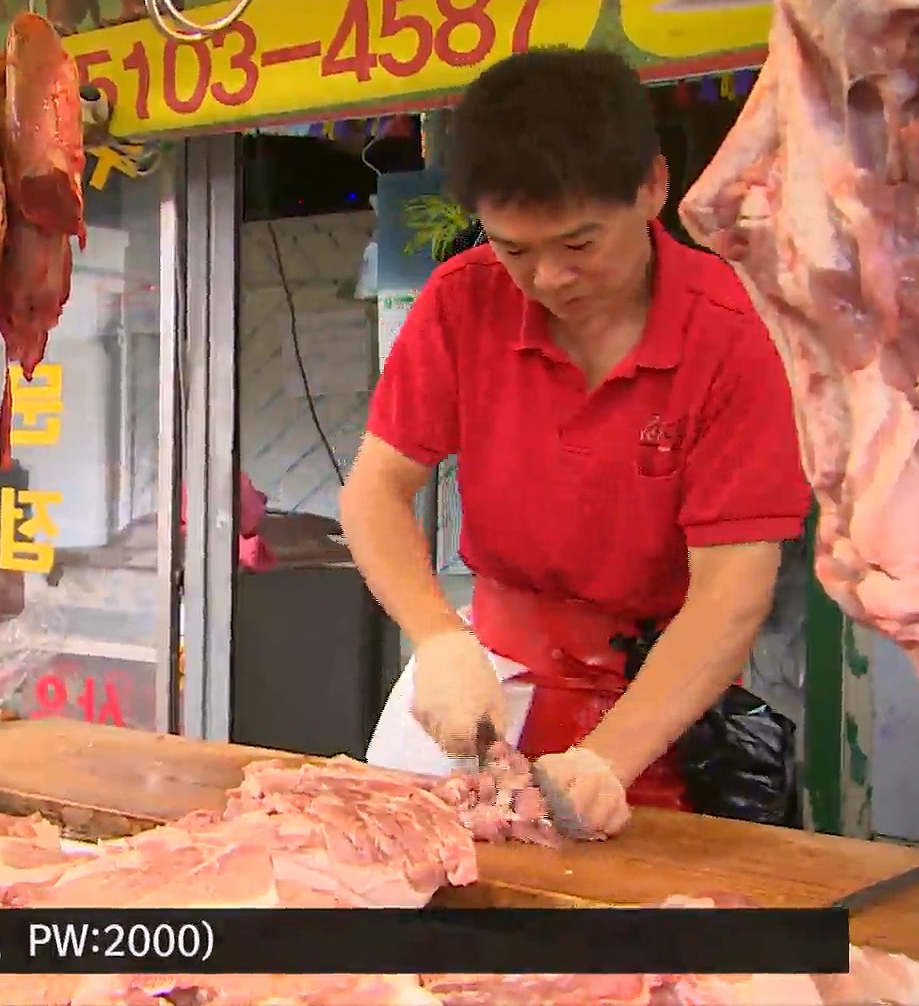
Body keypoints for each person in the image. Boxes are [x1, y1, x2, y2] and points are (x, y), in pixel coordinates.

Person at [342, 48, 810, 839]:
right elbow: (375, 491)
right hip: (489, 675)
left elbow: (730, 593)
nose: (549, 278)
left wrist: (606, 761)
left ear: (652, 187)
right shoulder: (464, 300)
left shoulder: (732, 334)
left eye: (580, 245)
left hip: (658, 705)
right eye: (516, 250)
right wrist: (437, 635)